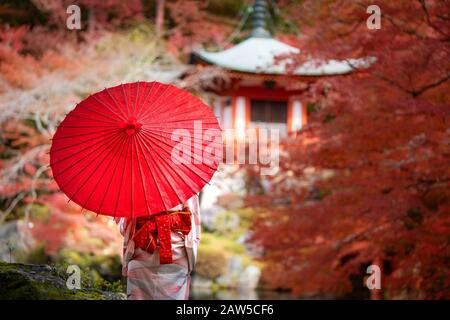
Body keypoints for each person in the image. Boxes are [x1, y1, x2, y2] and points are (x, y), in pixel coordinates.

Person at [118, 194, 200, 300]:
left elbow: (125, 228)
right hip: (176, 253)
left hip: (142, 249)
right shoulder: (185, 187)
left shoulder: (132, 188)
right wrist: (191, 260)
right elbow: (193, 225)